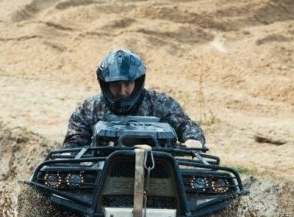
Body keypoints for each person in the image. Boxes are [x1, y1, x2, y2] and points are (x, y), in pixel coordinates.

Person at [63, 49, 206, 149]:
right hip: (101, 175)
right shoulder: (89, 108)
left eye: (127, 84)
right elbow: (74, 142)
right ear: (105, 84)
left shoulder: (160, 103)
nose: (122, 91)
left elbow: (186, 125)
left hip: (158, 170)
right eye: (115, 85)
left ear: (137, 82)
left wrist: (192, 139)